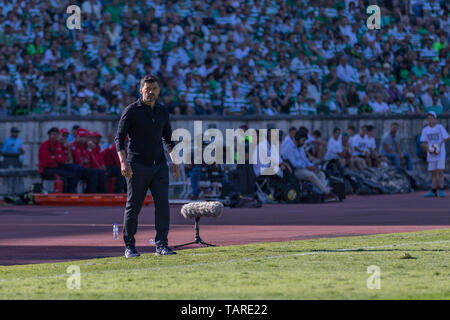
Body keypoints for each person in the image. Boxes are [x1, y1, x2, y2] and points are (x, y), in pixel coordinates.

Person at [115, 75, 180, 258]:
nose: (151, 92)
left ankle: (161, 244)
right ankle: (129, 246)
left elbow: (168, 138)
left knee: (163, 205)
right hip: (137, 165)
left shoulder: (162, 111)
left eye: (154, 89)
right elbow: (119, 138)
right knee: (134, 206)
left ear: (159, 91)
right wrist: (123, 161)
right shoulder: (131, 111)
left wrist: (175, 161)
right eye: (147, 88)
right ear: (141, 90)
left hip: (159, 165)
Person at [281, 130, 337, 200]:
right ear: (298, 138)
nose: (304, 142)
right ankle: (326, 192)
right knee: (311, 175)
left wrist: (312, 166)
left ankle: (323, 192)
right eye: (303, 140)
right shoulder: (288, 148)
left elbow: (305, 159)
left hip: (303, 168)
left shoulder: (301, 147)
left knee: (320, 173)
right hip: (294, 171)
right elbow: (294, 163)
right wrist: (307, 167)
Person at [420, 111, 450, 197]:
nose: (430, 120)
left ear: (435, 119)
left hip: (440, 153)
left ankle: (441, 189)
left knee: (440, 171)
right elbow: (424, 142)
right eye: (428, 118)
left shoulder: (439, 127)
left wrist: (440, 145)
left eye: (432, 118)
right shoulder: (425, 129)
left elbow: (447, 137)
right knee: (433, 172)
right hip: (431, 153)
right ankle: (433, 191)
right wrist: (427, 148)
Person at [38, 127, 77, 193]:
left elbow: (63, 159)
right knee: (63, 176)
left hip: (57, 167)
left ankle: (71, 193)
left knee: (72, 173)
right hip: (46, 169)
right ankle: (64, 196)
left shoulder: (58, 144)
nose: (54, 136)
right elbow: (46, 161)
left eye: (56, 134)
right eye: (53, 134)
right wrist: (57, 158)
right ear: (49, 135)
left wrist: (54, 157)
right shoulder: (44, 145)